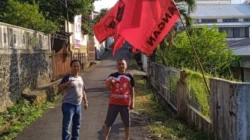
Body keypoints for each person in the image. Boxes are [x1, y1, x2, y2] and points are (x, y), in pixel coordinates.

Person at [104, 59, 135, 140]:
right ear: (116, 66)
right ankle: (105, 137)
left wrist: (133, 103)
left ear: (126, 66)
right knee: (108, 122)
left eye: (123, 64)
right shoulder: (112, 76)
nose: (121, 66)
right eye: (119, 64)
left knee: (126, 124)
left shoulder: (129, 76)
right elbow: (107, 88)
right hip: (113, 104)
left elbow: (132, 90)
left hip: (125, 104)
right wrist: (110, 83)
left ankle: (126, 138)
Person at [58, 59, 88, 140]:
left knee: (77, 125)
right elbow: (59, 89)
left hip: (78, 106)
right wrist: (66, 84)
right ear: (71, 67)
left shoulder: (80, 78)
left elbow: (83, 90)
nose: (76, 68)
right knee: (66, 126)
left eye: (78, 66)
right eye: (74, 66)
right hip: (68, 105)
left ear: (80, 67)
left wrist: (85, 102)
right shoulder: (67, 77)